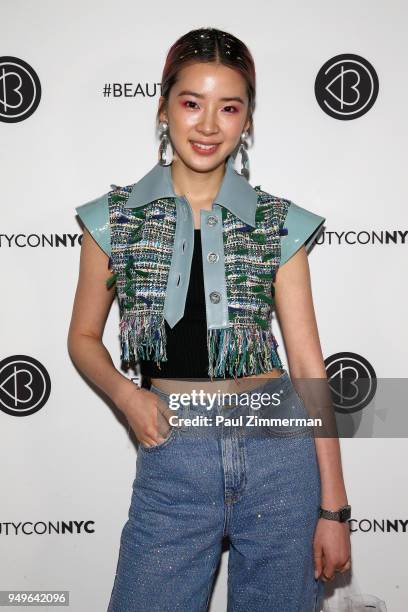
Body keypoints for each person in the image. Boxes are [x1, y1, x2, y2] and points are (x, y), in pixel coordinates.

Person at [68, 27, 351, 612]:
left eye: (229, 108)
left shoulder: (277, 223)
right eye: (191, 103)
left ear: (246, 121)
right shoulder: (114, 219)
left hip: (279, 454)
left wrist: (334, 507)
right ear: (163, 107)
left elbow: (305, 366)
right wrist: (126, 396)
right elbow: (83, 337)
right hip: (175, 456)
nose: (207, 125)